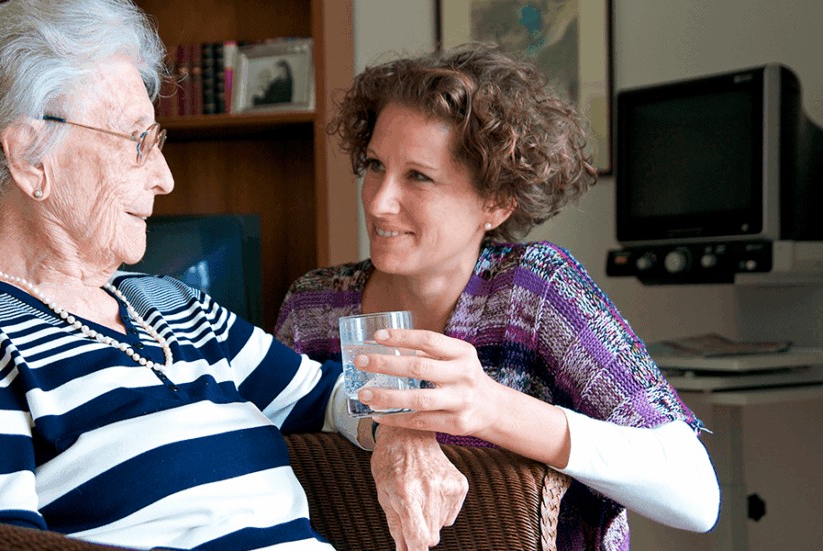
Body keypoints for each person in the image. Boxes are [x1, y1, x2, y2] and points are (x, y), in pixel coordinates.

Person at [0, 1, 442, 549]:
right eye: (137, 141)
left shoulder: (171, 305)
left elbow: (340, 394)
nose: (164, 178)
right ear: (29, 156)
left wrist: (402, 434)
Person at [275, 43, 721, 550]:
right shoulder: (313, 308)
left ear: (497, 202)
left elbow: (695, 494)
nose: (379, 202)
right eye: (375, 165)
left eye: (418, 176)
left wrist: (492, 409)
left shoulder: (535, 292)